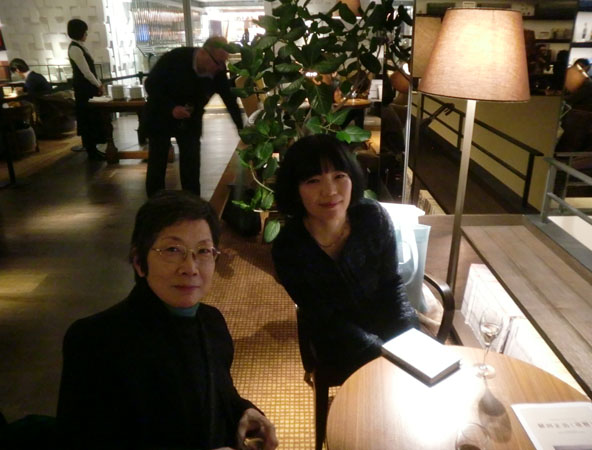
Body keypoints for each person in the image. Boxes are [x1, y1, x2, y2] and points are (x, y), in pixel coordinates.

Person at [57, 190, 278, 450]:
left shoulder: (212, 322)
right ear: (139, 262)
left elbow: (217, 394)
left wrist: (243, 411)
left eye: (203, 251)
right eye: (173, 250)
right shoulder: (95, 341)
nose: (190, 268)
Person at [271, 134, 419, 381]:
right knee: (383, 384)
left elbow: (391, 284)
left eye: (339, 176)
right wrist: (382, 353)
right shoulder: (288, 248)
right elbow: (325, 318)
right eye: (313, 180)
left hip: (387, 319)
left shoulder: (372, 217)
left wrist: (407, 335)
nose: (330, 191)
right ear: (295, 190)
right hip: (336, 340)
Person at [144, 37, 244, 198]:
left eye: (223, 62)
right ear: (203, 53)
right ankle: (155, 204)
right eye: (218, 62)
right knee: (157, 162)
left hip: (191, 119)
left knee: (191, 164)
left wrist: (242, 130)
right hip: (160, 114)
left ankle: (192, 204)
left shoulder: (217, 71)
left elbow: (229, 99)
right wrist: (171, 108)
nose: (220, 67)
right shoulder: (175, 58)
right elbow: (151, 84)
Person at [67, 18, 106, 161]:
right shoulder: (75, 49)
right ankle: (91, 151)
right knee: (88, 119)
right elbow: (86, 72)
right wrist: (98, 84)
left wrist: (98, 83)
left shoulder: (80, 47)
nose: (86, 34)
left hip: (88, 87)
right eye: (85, 31)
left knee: (93, 118)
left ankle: (94, 149)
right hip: (84, 89)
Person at [555, 58, 592, 153]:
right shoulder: (582, 81)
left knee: (572, 137)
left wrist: (559, 96)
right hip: (578, 112)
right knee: (570, 136)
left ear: (587, 68)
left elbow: (573, 98)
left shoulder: (588, 83)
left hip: (582, 113)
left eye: (582, 67)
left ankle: (566, 156)